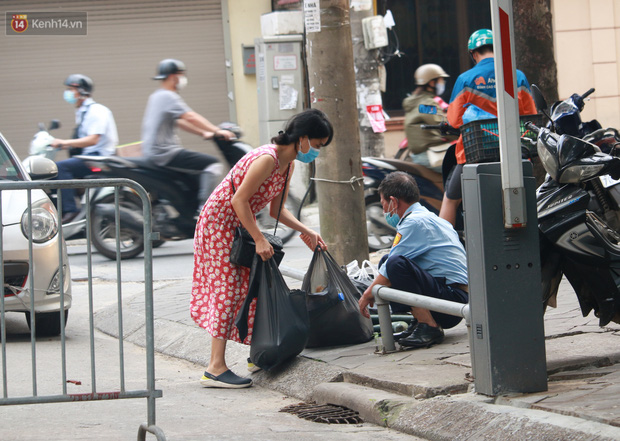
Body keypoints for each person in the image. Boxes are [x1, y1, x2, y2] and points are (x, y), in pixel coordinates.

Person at [191, 108, 333, 388]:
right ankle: (215, 368)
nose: (316, 152)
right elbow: (238, 201)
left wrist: (307, 232)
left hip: (238, 226)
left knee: (250, 287)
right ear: (302, 139)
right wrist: (258, 238)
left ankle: (258, 355)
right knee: (227, 289)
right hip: (218, 225)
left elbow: (277, 209)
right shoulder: (267, 159)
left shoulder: (288, 163)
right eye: (316, 146)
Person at [358, 171, 468, 349]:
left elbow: (388, 272)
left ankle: (429, 325)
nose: (384, 210)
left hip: (451, 303)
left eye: (384, 204)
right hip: (452, 299)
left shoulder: (414, 223)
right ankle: (420, 322)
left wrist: (366, 296)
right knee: (387, 260)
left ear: (393, 201)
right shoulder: (427, 217)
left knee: (394, 264)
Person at [440, 29, 537, 227]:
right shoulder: (517, 77)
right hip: (514, 152)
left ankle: (443, 247)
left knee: (451, 198)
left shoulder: (466, 79)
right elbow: (530, 113)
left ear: (474, 54)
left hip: (474, 153)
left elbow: (454, 120)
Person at [141, 59, 236, 213]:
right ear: (173, 77)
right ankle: (204, 209)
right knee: (212, 164)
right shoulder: (168, 96)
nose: (183, 79)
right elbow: (190, 117)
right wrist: (217, 131)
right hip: (164, 152)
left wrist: (203, 132)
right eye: (181, 75)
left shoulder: (156, 96)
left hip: (154, 152)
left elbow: (179, 121)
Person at [51, 74, 118, 223]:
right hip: (91, 156)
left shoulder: (96, 111)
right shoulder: (83, 111)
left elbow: (93, 139)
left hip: (99, 158)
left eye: (71, 89)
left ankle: (70, 210)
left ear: (82, 91)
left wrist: (64, 142)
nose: (68, 93)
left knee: (59, 168)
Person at [402, 64, 455, 172]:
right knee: (463, 167)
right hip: (428, 155)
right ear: (431, 82)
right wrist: (458, 133)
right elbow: (442, 125)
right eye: (440, 80)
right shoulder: (426, 104)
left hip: (423, 152)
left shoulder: (416, 101)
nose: (443, 83)